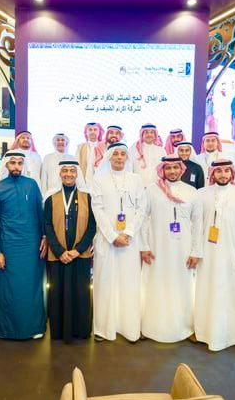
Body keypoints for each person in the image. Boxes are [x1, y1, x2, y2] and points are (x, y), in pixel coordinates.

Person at [194, 159, 235, 351]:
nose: (222, 174)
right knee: (205, 291)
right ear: (213, 173)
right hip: (206, 253)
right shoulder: (201, 194)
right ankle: (203, 333)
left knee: (230, 293)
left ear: (232, 173)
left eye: (226, 171)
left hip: (233, 253)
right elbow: (195, 225)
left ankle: (228, 336)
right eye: (218, 171)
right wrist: (195, 251)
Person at [140, 156, 201, 342]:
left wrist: (195, 251)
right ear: (162, 170)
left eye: (176, 167)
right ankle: (150, 327)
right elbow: (142, 219)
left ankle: (186, 328)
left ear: (182, 169)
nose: (172, 171)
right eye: (168, 168)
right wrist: (144, 246)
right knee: (155, 284)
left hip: (183, 249)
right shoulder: (151, 190)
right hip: (157, 248)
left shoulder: (192, 192)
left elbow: (198, 224)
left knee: (183, 286)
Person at [0, 151, 47, 339]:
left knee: (31, 288)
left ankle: (33, 328)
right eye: (12, 163)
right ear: (6, 165)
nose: (16, 166)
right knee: (8, 290)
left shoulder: (32, 184)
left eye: (20, 163)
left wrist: (44, 236)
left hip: (31, 246)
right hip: (8, 247)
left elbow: (40, 213)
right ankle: (5, 330)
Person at [90, 143, 146, 342]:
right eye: (116, 154)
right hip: (107, 240)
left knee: (129, 283)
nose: (119, 157)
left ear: (127, 158)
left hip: (130, 241)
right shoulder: (99, 179)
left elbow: (141, 209)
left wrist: (128, 232)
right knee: (105, 282)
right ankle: (103, 329)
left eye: (123, 154)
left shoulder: (136, 179)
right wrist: (113, 236)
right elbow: (97, 208)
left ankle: (129, 328)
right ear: (109, 157)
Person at [44, 160, 96, 342]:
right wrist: (60, 251)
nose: (68, 174)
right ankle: (58, 332)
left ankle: (81, 331)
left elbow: (92, 227)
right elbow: (47, 226)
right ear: (59, 174)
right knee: (57, 293)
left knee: (81, 293)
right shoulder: (51, 199)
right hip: (58, 256)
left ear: (77, 174)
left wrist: (77, 250)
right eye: (65, 171)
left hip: (80, 256)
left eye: (72, 171)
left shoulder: (87, 198)